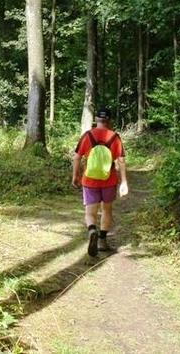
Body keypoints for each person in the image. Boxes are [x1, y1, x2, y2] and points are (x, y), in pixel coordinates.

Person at [72, 107, 129, 257]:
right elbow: (121, 161)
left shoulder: (87, 135)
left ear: (96, 119)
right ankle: (102, 240)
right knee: (106, 210)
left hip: (90, 180)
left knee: (90, 213)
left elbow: (77, 157)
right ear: (109, 120)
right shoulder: (115, 137)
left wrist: (75, 176)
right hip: (108, 180)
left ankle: (92, 230)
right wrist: (124, 182)